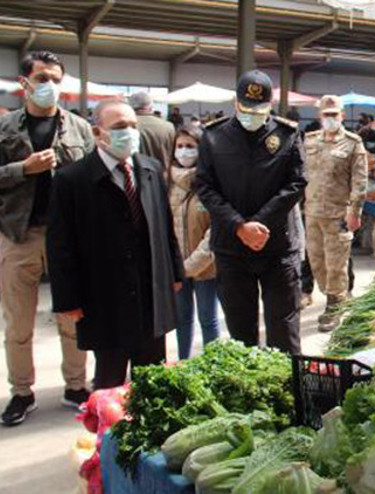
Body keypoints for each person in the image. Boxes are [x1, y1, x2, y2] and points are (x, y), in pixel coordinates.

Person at [47, 99, 184, 390]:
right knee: (109, 382)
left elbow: (165, 226)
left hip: (150, 294)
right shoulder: (72, 179)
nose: (129, 133)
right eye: (120, 127)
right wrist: (68, 298)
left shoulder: (150, 169)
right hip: (104, 297)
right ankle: (109, 435)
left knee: (153, 383)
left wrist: (174, 272)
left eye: (133, 126)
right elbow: (60, 244)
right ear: (98, 133)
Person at [0, 51, 93, 425]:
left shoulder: (78, 128)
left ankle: (75, 385)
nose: (49, 86)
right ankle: (21, 392)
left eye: (55, 79)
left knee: (72, 315)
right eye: (41, 79)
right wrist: (24, 168)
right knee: (19, 322)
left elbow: (91, 180)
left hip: (67, 238)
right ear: (24, 84)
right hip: (19, 236)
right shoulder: (5, 129)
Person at [195, 70, 306, 354]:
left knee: (283, 330)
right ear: (236, 103)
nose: (251, 115)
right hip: (232, 248)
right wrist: (239, 226)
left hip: (277, 246)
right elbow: (205, 187)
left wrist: (259, 223)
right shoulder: (213, 136)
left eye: (259, 109)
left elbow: (297, 183)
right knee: (240, 332)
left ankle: (289, 390)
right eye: (246, 109)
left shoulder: (288, 135)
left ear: (270, 105)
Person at [303, 95, 368, 332]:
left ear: (341, 115)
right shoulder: (309, 141)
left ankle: (334, 305)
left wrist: (355, 212)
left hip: (338, 214)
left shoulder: (352, 143)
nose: (330, 118)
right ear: (320, 116)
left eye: (334, 114)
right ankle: (334, 295)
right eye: (326, 114)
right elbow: (301, 176)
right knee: (316, 262)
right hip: (312, 212)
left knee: (336, 265)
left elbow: (360, 182)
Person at [168, 125, 220, 359]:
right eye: (180, 146)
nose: (184, 151)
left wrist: (193, 263)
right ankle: (183, 361)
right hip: (176, 268)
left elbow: (216, 228)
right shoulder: (166, 183)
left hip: (206, 267)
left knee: (208, 319)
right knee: (182, 319)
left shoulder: (211, 181)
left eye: (190, 146)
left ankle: (212, 364)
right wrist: (176, 265)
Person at [128, 91, 175, 172]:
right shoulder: (168, 126)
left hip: (135, 177)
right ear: (150, 106)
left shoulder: (125, 126)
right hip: (162, 176)